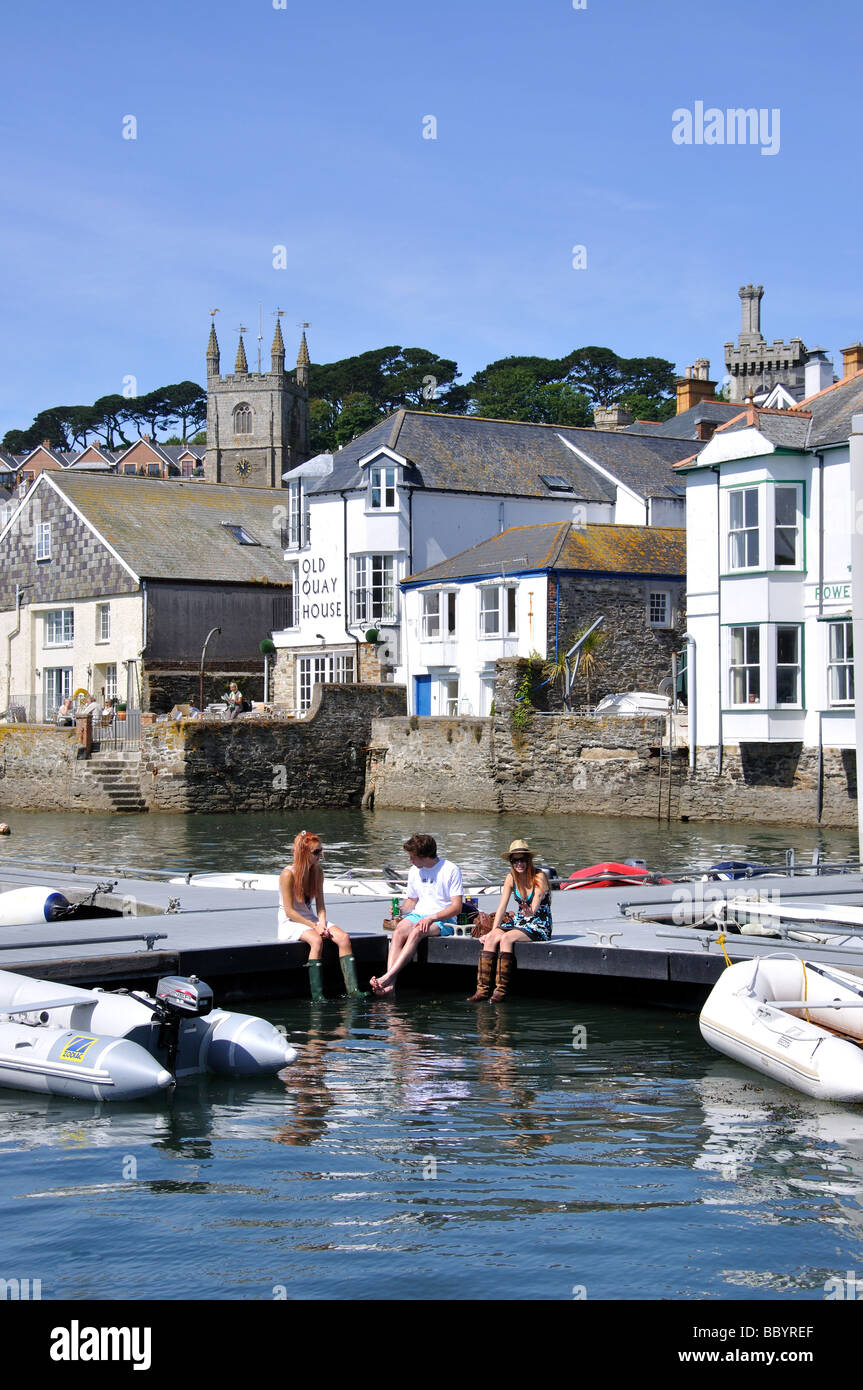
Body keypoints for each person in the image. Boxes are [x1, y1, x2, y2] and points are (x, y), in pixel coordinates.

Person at [370, 833, 463, 996]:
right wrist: (400, 910)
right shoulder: (414, 871)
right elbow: (412, 901)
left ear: (425, 856)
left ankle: (388, 977)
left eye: (413, 857)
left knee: (417, 931)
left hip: (443, 918)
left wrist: (432, 917)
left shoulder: (451, 870)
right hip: (419, 914)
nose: (410, 861)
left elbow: (457, 907)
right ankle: (390, 986)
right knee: (399, 931)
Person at [278, 830, 366, 1000]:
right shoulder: (288, 874)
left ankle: (353, 991)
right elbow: (289, 911)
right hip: (290, 921)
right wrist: (315, 927)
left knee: (344, 938)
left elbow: (321, 906)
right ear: (304, 853)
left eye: (321, 850)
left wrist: (322, 924)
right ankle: (318, 995)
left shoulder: (317, 872)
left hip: (311, 919)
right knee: (316, 940)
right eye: (316, 852)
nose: (321, 855)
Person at [467, 838, 552, 1003]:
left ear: (529, 860)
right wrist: (493, 929)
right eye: (515, 860)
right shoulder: (510, 878)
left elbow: (536, 902)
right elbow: (502, 906)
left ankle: (500, 991)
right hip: (520, 920)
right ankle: (482, 990)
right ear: (511, 862)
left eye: (522, 860)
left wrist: (530, 911)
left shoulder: (539, 876)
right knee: (492, 937)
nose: (519, 863)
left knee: (506, 938)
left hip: (539, 922)